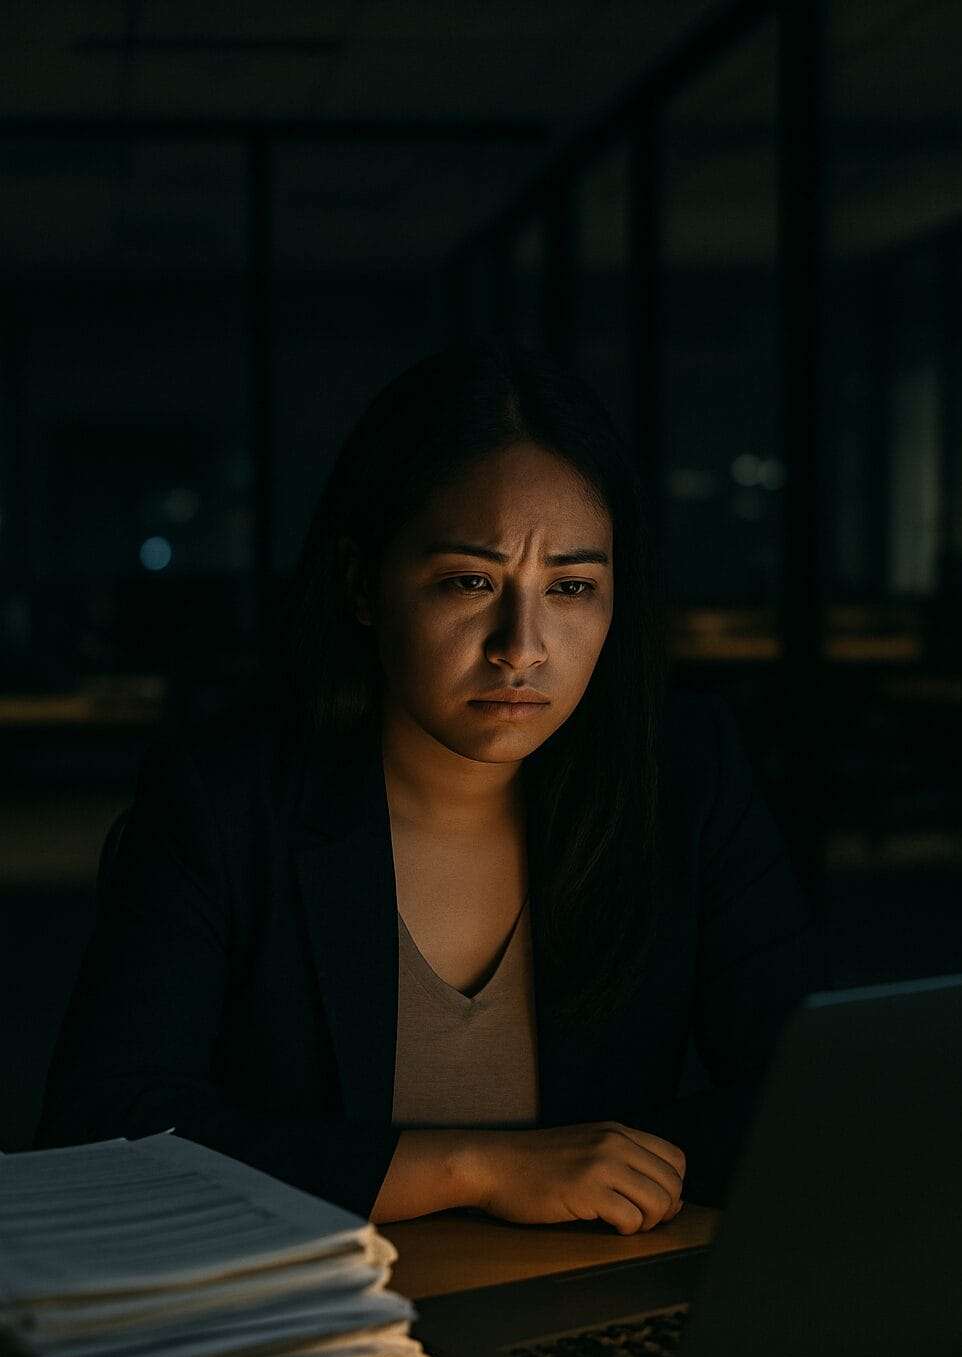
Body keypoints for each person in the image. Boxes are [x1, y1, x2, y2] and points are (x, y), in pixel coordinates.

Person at [34, 339, 826, 1231]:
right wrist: (473, 1167)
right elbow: (101, 1128)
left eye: (571, 586)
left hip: (584, 1297)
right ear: (362, 584)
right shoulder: (227, 801)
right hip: (304, 1320)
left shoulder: (684, 775)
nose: (521, 646)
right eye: (468, 581)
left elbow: (809, 1086)